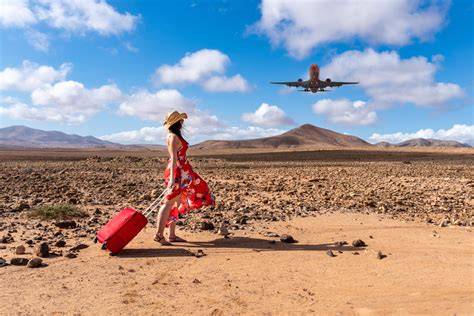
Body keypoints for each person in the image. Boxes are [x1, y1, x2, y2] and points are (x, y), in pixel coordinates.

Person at [154, 111, 215, 245]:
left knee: (176, 202)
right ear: (177, 123)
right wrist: (172, 179)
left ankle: (171, 235)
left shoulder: (173, 135)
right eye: (181, 120)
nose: (183, 123)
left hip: (182, 172)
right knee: (169, 202)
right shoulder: (174, 137)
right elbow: (174, 157)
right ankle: (159, 235)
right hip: (177, 172)